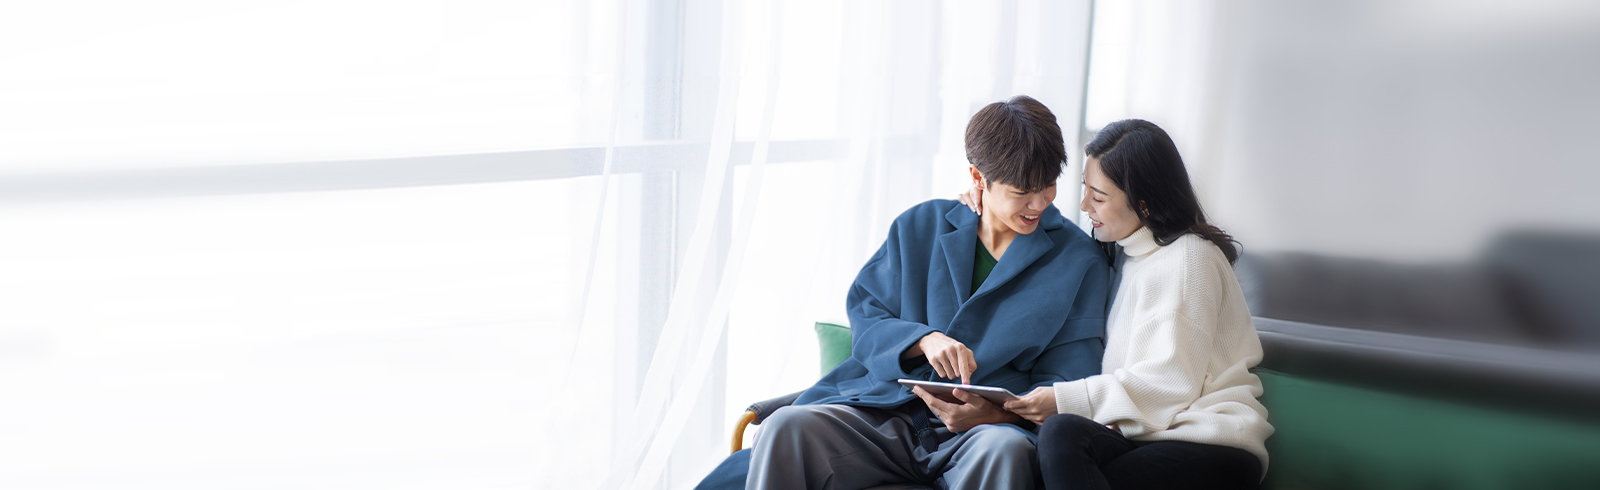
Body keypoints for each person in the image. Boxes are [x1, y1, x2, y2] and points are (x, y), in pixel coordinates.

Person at [697, 95, 1112, 490]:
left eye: (1049, 186)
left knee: (1003, 451)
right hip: (882, 411)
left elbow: (1068, 377)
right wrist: (922, 340)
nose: (1039, 204)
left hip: (983, 434)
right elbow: (867, 316)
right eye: (1022, 192)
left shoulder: (1078, 260)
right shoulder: (920, 226)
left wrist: (994, 414)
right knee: (786, 426)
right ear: (977, 178)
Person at [967, 119, 1272, 490]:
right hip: (1144, 438)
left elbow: (1170, 383)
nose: (1083, 206)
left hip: (1210, 444)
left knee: (1060, 436)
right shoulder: (1123, 258)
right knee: (1046, 449)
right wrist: (983, 200)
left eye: (1098, 197)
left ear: (1143, 204)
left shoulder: (1190, 258)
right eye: (1084, 190)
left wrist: (1063, 399)